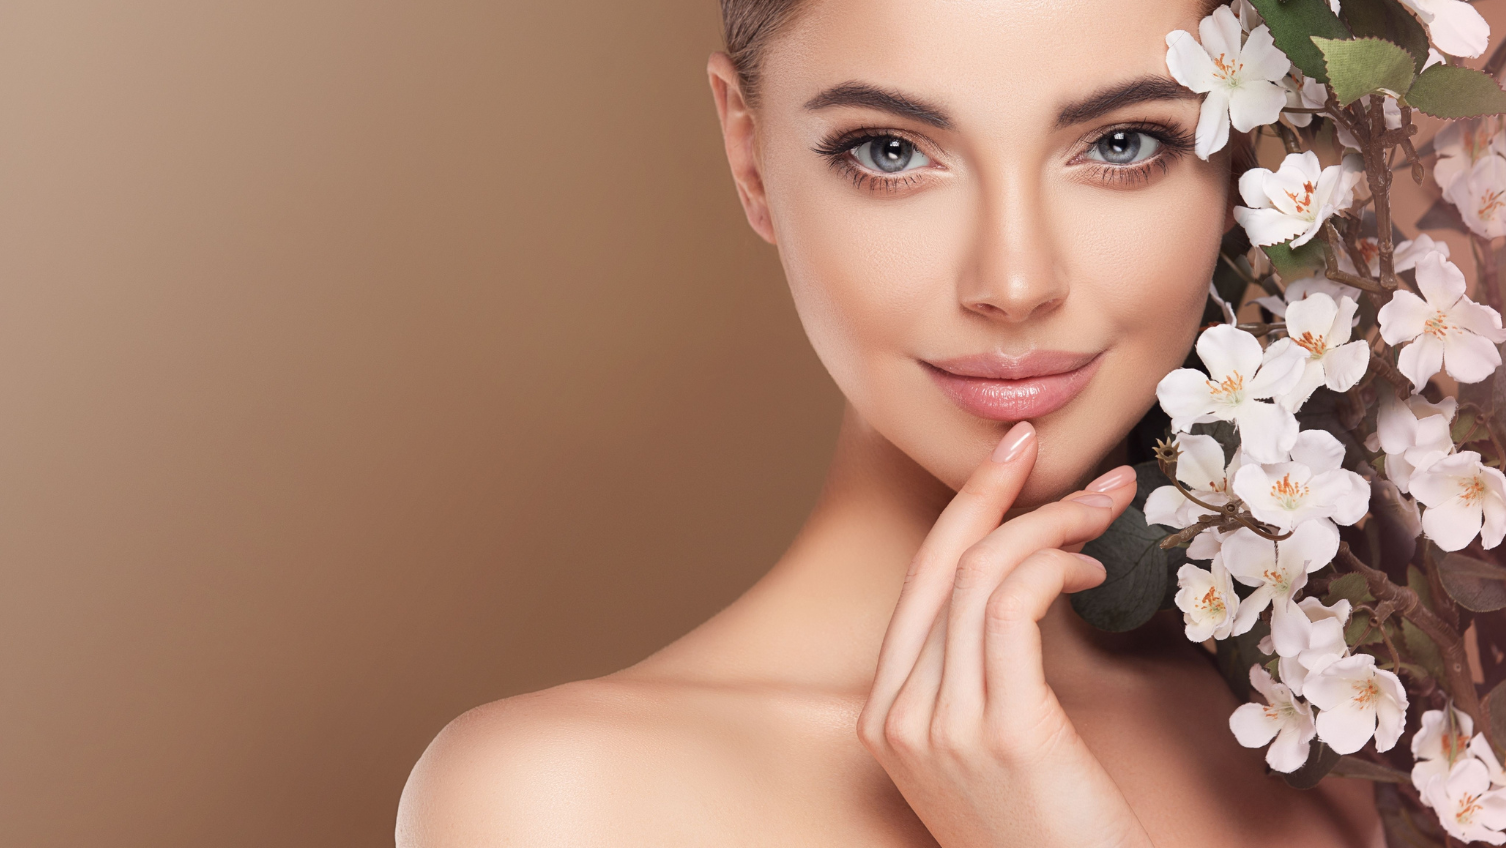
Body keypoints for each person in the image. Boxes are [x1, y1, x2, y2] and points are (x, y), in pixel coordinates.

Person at [396, 0, 1383, 844]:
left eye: (1123, 143)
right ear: (749, 156)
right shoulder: (560, 804)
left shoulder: (1336, 732)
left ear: (1241, 147)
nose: (1013, 282)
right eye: (892, 150)